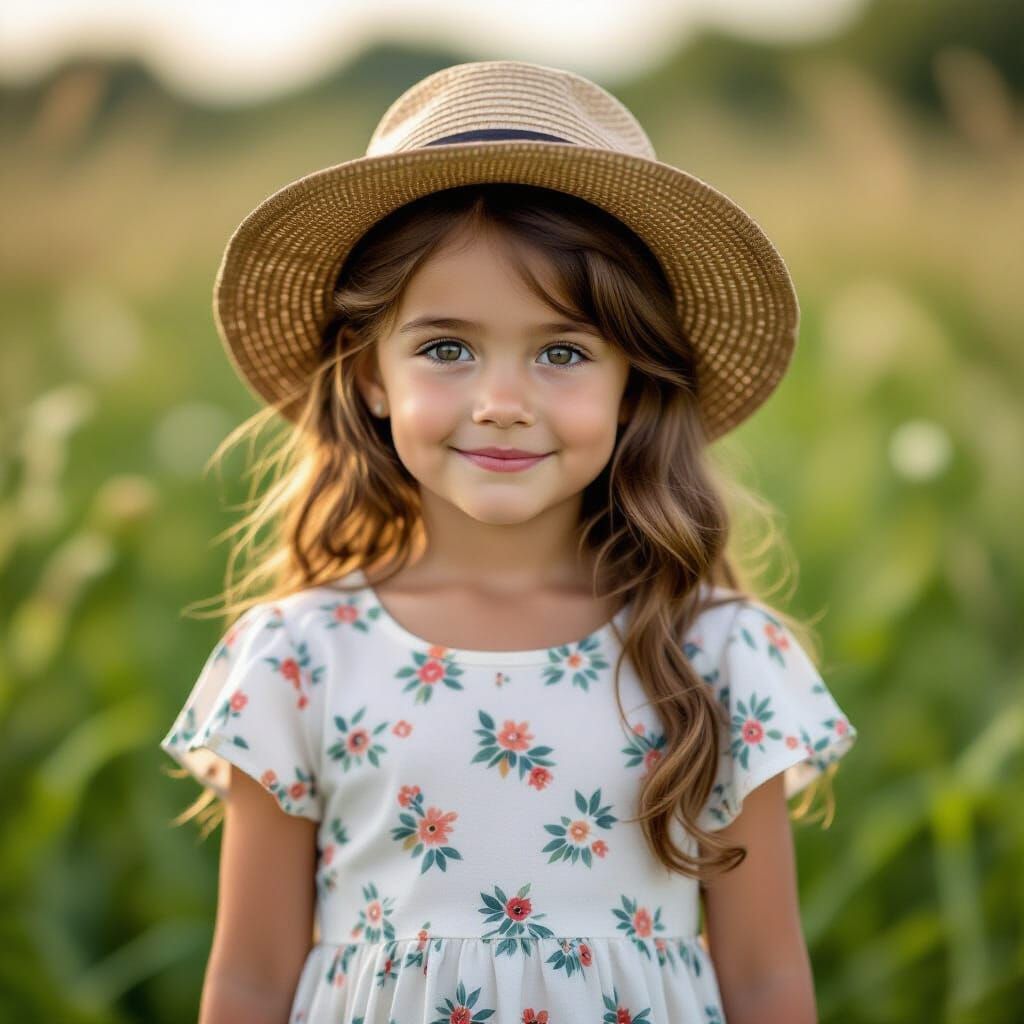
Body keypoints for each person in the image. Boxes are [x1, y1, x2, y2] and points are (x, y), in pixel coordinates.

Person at [160, 59, 858, 1024]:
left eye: (562, 353)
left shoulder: (718, 652)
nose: (500, 403)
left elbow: (769, 976)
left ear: (633, 387)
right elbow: (247, 977)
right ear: (367, 374)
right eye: (446, 348)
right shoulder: (298, 655)